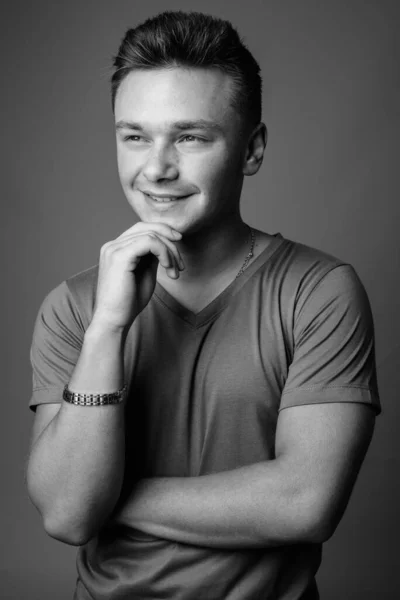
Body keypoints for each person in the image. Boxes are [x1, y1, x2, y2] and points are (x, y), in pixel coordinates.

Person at [26, 10, 381, 600]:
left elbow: (305, 503)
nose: (157, 168)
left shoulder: (319, 291)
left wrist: (110, 496)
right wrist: (108, 328)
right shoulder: (74, 306)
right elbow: (66, 517)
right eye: (134, 136)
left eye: (189, 137)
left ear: (252, 149)